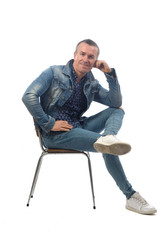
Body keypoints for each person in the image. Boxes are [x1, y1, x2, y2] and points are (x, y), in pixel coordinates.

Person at [22, 39, 157, 214]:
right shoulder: (53, 72)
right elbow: (29, 96)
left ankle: (109, 137)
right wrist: (49, 123)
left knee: (117, 111)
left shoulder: (91, 83)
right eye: (83, 54)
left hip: (79, 127)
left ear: (95, 62)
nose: (86, 59)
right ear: (75, 55)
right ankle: (130, 196)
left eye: (91, 57)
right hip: (55, 134)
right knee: (108, 147)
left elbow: (115, 102)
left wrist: (109, 73)